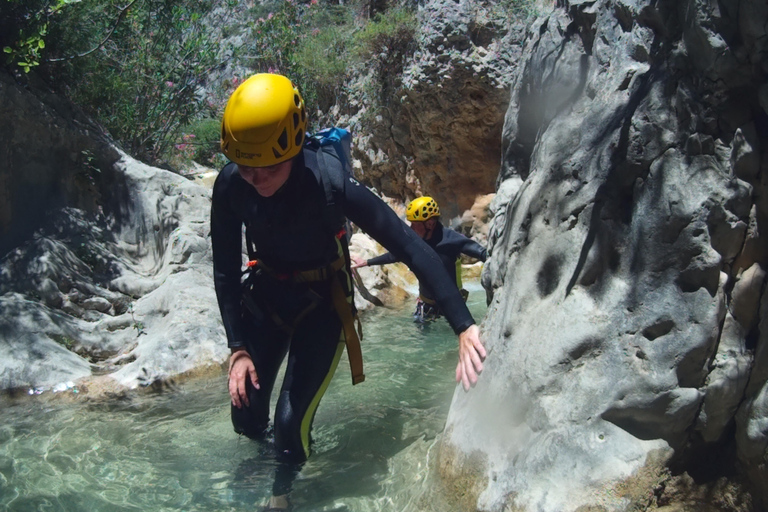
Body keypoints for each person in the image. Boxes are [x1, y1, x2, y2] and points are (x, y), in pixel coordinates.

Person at [210, 73, 486, 511]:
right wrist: (237, 348)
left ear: (295, 147)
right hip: (267, 298)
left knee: (288, 424)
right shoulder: (230, 186)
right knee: (244, 416)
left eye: (269, 167)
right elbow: (224, 268)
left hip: (323, 306)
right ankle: (270, 471)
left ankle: (284, 496)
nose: (256, 179)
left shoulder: (330, 182)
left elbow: (411, 246)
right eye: (246, 167)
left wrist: (464, 325)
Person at [351, 196, 488, 323]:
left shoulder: (451, 239)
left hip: (452, 305)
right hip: (426, 305)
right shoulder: (415, 242)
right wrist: (367, 262)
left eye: (414, 224)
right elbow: (395, 255)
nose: (411, 228)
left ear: (429, 223)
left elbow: (482, 253)